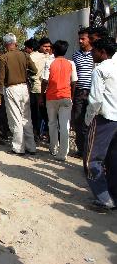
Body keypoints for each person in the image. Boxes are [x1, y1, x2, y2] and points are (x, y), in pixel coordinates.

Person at [84, 39, 117, 211]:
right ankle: (113, 195)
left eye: (94, 51)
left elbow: (96, 99)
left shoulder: (100, 70)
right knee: (113, 159)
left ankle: (104, 198)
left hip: (104, 119)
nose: (91, 53)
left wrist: (89, 118)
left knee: (92, 160)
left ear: (102, 52)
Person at [0, 33, 37, 155]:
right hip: (24, 88)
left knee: (15, 119)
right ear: (15, 42)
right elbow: (34, 70)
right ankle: (31, 146)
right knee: (26, 118)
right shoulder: (24, 55)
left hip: (11, 89)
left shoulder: (4, 57)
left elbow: (0, 78)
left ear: (5, 44)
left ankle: (18, 147)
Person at [41, 40, 78, 161]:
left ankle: (53, 148)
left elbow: (45, 81)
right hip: (66, 97)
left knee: (52, 123)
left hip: (51, 97)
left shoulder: (49, 63)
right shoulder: (71, 63)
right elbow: (74, 82)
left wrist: (42, 96)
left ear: (54, 50)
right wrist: (71, 96)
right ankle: (63, 154)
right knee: (65, 126)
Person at [72, 27, 94, 158]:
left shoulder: (96, 54)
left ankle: (90, 150)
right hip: (79, 93)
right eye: (79, 38)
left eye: (83, 38)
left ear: (89, 39)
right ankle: (81, 150)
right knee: (79, 120)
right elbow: (73, 75)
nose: (80, 41)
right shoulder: (76, 55)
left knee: (91, 121)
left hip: (93, 93)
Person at [29, 37, 51, 141]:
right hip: (37, 89)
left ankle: (48, 134)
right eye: (45, 46)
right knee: (37, 114)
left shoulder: (51, 57)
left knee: (46, 114)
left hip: (48, 90)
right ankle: (36, 134)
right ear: (40, 46)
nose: (47, 48)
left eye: (49, 46)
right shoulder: (33, 57)